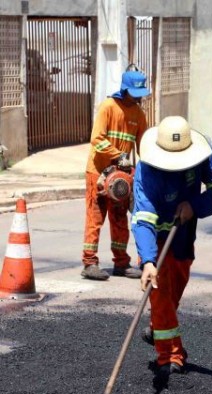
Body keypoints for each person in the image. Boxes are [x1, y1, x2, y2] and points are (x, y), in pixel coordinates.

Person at [131, 115, 212, 382]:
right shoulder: (146, 170)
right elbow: (143, 218)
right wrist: (148, 262)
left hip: (184, 230)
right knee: (160, 291)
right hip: (155, 235)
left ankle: (158, 326)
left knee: (175, 288)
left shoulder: (203, 154)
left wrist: (195, 206)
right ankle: (170, 357)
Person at [81, 70, 150, 280]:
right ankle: (89, 262)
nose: (138, 97)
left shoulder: (138, 114)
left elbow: (143, 145)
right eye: (134, 93)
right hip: (99, 173)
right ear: (124, 90)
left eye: (140, 93)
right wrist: (118, 155)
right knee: (96, 217)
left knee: (119, 219)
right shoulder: (108, 107)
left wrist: (146, 168)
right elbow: (97, 139)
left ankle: (121, 263)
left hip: (121, 177)